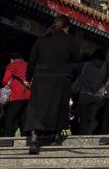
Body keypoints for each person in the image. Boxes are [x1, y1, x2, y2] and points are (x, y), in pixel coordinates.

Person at [25, 17, 78, 154]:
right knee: (60, 107)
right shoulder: (69, 40)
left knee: (36, 108)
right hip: (61, 77)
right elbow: (76, 57)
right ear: (66, 27)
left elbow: (32, 59)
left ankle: (34, 139)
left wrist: (28, 77)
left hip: (41, 77)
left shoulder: (42, 39)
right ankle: (58, 136)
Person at [74, 48, 106, 136]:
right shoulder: (105, 66)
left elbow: (72, 67)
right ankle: (92, 134)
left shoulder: (85, 65)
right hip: (98, 96)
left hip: (84, 94)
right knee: (94, 118)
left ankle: (83, 135)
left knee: (84, 119)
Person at [0, 51, 30, 137]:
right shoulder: (28, 65)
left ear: (12, 60)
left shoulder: (12, 65)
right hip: (28, 96)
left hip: (16, 96)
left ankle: (8, 139)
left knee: (9, 119)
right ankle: (24, 140)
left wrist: (7, 84)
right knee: (23, 120)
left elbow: (5, 80)